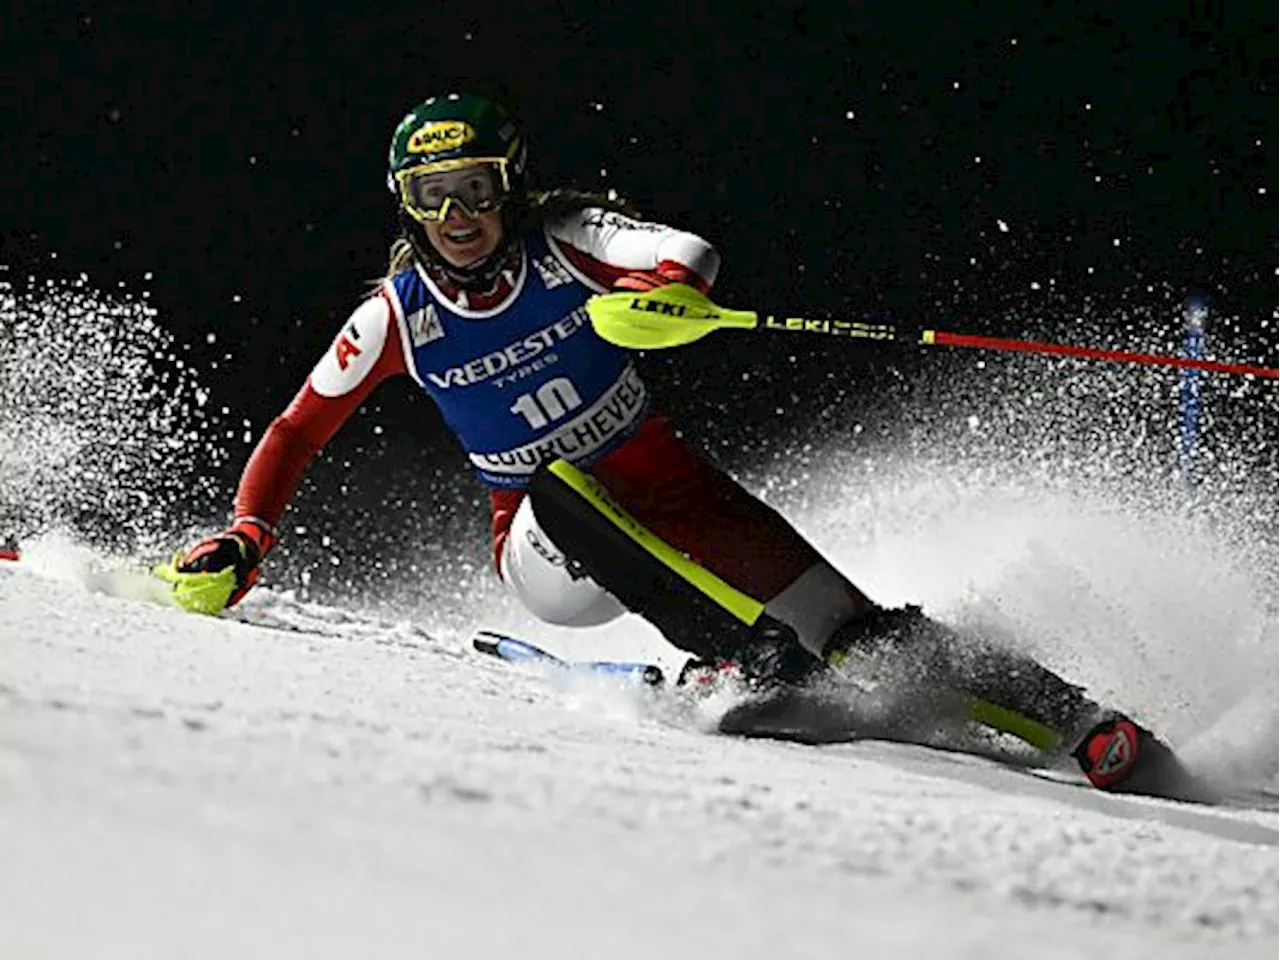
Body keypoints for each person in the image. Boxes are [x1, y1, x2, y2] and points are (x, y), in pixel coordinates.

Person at [160, 92, 1190, 798]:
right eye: (432, 198)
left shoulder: (564, 241)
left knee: (856, 630)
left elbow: (677, 251)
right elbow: (297, 426)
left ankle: (1080, 723)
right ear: (405, 205)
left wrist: (664, 294)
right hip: (548, 545)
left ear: (507, 183)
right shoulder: (397, 316)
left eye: (474, 188)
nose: (457, 216)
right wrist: (248, 533)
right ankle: (733, 656)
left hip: (676, 496)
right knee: (561, 476)